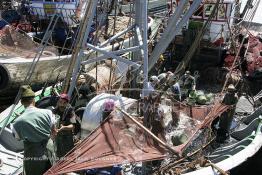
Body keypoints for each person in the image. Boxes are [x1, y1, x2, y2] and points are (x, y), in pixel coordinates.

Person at [12, 85, 56, 175]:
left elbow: (18, 138)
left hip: (33, 154)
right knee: (52, 171)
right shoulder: (48, 112)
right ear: (34, 100)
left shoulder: (17, 122)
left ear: (22, 102)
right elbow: (54, 131)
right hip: (49, 148)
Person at [53, 93, 77, 158]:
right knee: (59, 154)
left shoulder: (70, 111)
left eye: (64, 103)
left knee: (69, 155)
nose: (62, 104)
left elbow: (73, 126)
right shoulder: (55, 110)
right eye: (60, 102)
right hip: (58, 136)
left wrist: (64, 127)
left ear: (67, 103)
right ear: (58, 102)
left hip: (67, 136)